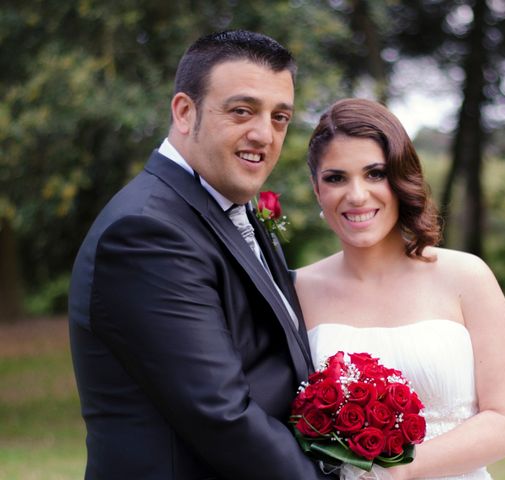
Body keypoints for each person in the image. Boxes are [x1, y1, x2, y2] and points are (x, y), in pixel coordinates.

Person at [68, 30, 332, 479]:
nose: (263, 134)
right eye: (242, 111)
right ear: (185, 112)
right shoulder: (147, 233)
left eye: (280, 117)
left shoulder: (223, 204)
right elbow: (221, 415)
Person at [295, 98, 505, 479]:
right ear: (316, 188)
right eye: (336, 178)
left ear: (401, 177)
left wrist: (400, 470)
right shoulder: (295, 289)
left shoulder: (466, 276)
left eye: (374, 174)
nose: (356, 195)